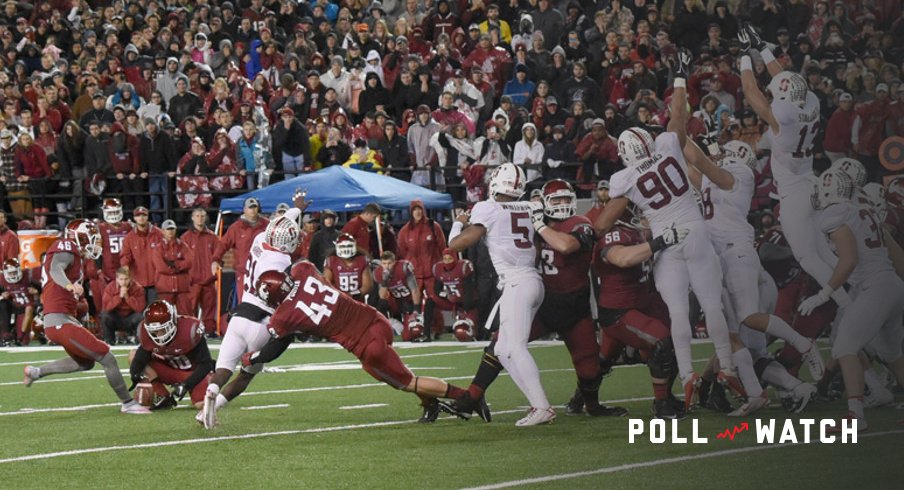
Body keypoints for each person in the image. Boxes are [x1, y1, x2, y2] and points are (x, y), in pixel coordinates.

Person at [594, 49, 741, 411]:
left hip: (665, 243)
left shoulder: (625, 177)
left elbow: (602, 223)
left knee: (677, 312)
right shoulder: (666, 145)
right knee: (711, 305)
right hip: (695, 231)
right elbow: (678, 117)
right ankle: (727, 367)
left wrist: (629, 209)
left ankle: (689, 374)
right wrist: (678, 78)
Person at [241, 262, 471, 424]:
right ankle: (431, 406)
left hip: (366, 344)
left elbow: (275, 347)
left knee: (406, 382)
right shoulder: (304, 270)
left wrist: (253, 357)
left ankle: (467, 397)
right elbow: (292, 271)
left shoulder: (284, 315)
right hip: (376, 320)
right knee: (389, 372)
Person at [736, 24, 852, 311]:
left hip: (793, 192)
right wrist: (761, 45)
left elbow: (751, 92)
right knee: (825, 252)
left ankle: (847, 304)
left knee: (808, 257)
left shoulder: (783, 115)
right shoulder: (809, 99)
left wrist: (744, 57)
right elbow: (785, 79)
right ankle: (861, 289)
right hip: (809, 181)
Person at [447, 163, 553, 426]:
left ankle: (543, 406)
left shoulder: (488, 207)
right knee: (504, 350)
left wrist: (458, 223)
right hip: (530, 280)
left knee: (515, 347)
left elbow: (456, 245)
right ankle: (536, 405)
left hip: (517, 283)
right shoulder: (529, 206)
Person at [807, 169, 904, 431]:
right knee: (893, 354)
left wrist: (824, 293)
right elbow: (894, 250)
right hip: (893, 286)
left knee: (844, 347)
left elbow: (849, 260)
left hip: (874, 287)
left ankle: (855, 416)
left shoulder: (835, 214)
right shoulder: (866, 209)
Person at [201, 192, 308, 429]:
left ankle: (210, 391)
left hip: (239, 316)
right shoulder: (281, 263)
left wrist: (296, 208)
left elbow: (281, 224)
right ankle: (215, 406)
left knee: (223, 369)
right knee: (246, 374)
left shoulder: (260, 238)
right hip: (260, 322)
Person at [23, 219, 150, 414]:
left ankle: (35, 372)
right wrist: (69, 286)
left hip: (63, 318)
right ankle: (128, 403)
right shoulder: (66, 247)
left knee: (85, 362)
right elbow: (55, 269)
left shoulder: (76, 256)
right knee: (107, 357)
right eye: (92, 237)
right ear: (79, 237)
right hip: (59, 320)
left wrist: (78, 305)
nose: (96, 242)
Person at [592, 205, 686, 419]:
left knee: (675, 338)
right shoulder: (613, 234)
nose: (641, 214)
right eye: (636, 211)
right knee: (661, 342)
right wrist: (660, 241)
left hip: (641, 302)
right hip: (619, 311)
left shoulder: (636, 231)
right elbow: (621, 258)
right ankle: (661, 404)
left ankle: (666, 397)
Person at [128, 300, 214, 410]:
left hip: (192, 373)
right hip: (170, 369)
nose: (158, 335)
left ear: (173, 322)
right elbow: (141, 357)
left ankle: (211, 380)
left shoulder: (190, 330)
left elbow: (206, 364)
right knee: (133, 355)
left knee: (202, 405)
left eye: (162, 330)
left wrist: (186, 384)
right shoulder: (146, 334)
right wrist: (135, 375)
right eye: (154, 331)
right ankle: (163, 396)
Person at [397, 199, 445, 338]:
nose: (417, 212)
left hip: (431, 271)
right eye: (414, 210)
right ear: (411, 212)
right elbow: (401, 252)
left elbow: (442, 247)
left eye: (419, 209)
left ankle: (436, 329)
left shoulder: (433, 226)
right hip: (414, 274)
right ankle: (414, 328)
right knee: (413, 303)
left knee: (433, 301)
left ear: (423, 210)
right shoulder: (405, 231)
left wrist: (441, 267)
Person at [211, 197, 269, 303]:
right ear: (244, 210)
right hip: (244, 272)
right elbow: (223, 244)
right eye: (250, 207)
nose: (252, 210)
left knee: (264, 303)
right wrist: (216, 260)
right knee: (244, 302)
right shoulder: (236, 227)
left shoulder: (267, 225)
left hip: (263, 271)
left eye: (254, 207)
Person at [181, 208, 221, 335]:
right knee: (190, 308)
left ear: (206, 218)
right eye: (197, 216)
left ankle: (209, 331)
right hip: (192, 281)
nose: (200, 218)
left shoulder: (213, 237)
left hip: (208, 280)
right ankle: (189, 331)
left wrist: (217, 265)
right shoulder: (185, 238)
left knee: (209, 309)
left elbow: (220, 254)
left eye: (202, 216)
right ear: (192, 218)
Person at [430, 248, 478, 341]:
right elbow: (436, 291)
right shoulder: (438, 269)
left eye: (450, 258)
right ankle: (429, 332)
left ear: (455, 258)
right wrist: (447, 295)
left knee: (463, 332)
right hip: (451, 301)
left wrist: (465, 310)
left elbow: (469, 291)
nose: (447, 261)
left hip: (467, 303)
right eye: (445, 259)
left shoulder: (463, 267)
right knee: (429, 300)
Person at [375, 251, 424, 341]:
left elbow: (415, 290)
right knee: (381, 303)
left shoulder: (403, 268)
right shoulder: (379, 272)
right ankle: (383, 327)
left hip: (409, 301)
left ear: (394, 262)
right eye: (384, 263)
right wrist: (385, 280)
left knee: (409, 336)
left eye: (389, 263)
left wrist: (416, 310)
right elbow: (382, 296)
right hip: (396, 301)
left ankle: (415, 323)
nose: (387, 266)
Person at [119, 206, 162, 303]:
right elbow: (125, 257)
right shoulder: (129, 238)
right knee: (139, 313)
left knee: (155, 312)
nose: (141, 218)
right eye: (138, 216)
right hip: (138, 282)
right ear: (134, 218)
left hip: (156, 282)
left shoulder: (159, 234)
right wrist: (125, 270)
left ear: (147, 217)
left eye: (143, 215)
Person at [152, 220, 193, 315]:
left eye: (172, 229)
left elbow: (190, 261)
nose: (170, 232)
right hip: (165, 288)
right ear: (162, 231)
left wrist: (174, 265)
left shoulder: (183, 246)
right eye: (168, 229)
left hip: (182, 287)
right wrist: (180, 266)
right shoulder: (158, 248)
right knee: (165, 315)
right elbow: (161, 267)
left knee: (186, 314)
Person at [100, 267, 146, 345]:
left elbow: (140, 308)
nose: (123, 282)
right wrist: (119, 297)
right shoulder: (110, 288)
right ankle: (109, 341)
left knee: (140, 317)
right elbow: (106, 307)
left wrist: (128, 298)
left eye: (126, 279)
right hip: (116, 317)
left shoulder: (138, 288)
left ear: (130, 278)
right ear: (117, 279)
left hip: (131, 318)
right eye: (121, 279)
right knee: (105, 316)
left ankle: (139, 341)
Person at [323, 233, 373, 303]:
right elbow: (326, 284)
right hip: (338, 300)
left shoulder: (362, 260)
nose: (346, 249)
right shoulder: (331, 261)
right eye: (343, 246)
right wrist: (339, 295)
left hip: (357, 301)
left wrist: (353, 294)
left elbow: (367, 286)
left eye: (349, 246)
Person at [0, 258, 37, 346]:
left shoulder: (28, 276)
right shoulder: (2, 280)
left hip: (27, 309)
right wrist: (2, 294)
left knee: (24, 341)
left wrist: (36, 292)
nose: (13, 275)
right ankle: (5, 334)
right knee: (2, 303)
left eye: (14, 272)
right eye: (10, 273)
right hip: (14, 307)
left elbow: (43, 289)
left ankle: (21, 337)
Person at [97, 198, 132, 286]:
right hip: (109, 267)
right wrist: (98, 268)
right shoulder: (100, 228)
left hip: (126, 265)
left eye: (115, 212)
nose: (113, 215)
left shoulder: (128, 226)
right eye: (111, 212)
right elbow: (96, 251)